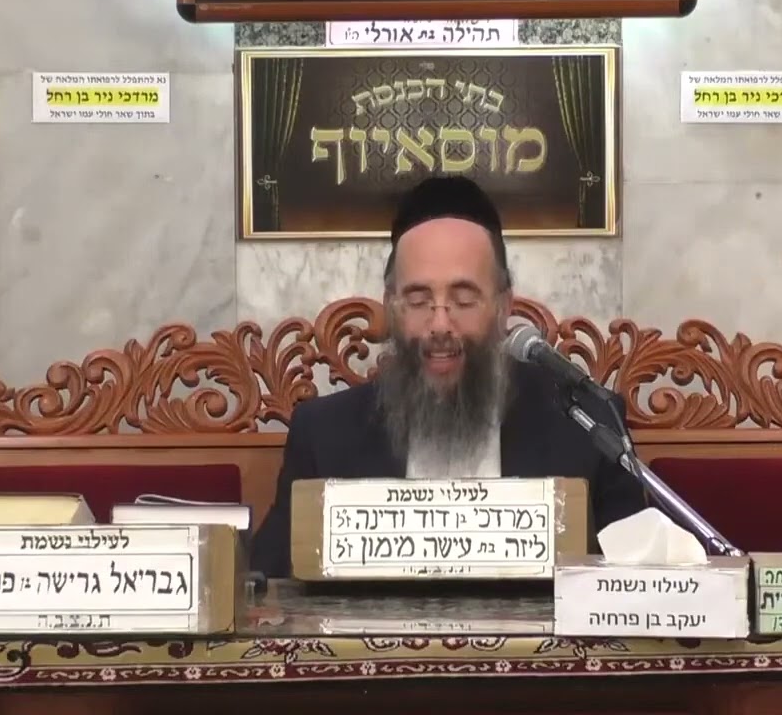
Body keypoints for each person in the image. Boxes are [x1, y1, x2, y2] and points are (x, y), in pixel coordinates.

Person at [250, 175, 646, 577]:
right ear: (392, 306)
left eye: (463, 299)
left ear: (503, 307)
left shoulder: (588, 426)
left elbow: (639, 582)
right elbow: (264, 587)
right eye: (418, 300)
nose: (440, 324)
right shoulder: (323, 434)